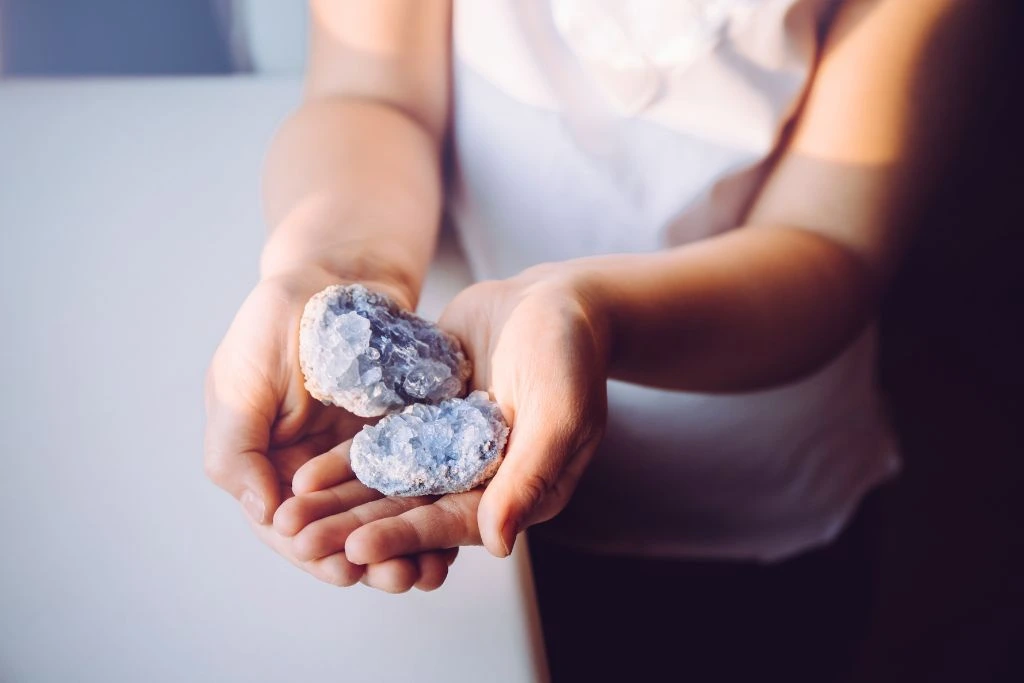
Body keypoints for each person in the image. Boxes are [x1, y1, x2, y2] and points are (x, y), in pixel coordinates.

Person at [203, 0, 991, 677]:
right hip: (468, 514)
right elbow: (372, 94)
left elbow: (832, 244)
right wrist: (333, 264)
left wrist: (590, 313)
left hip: (745, 497)